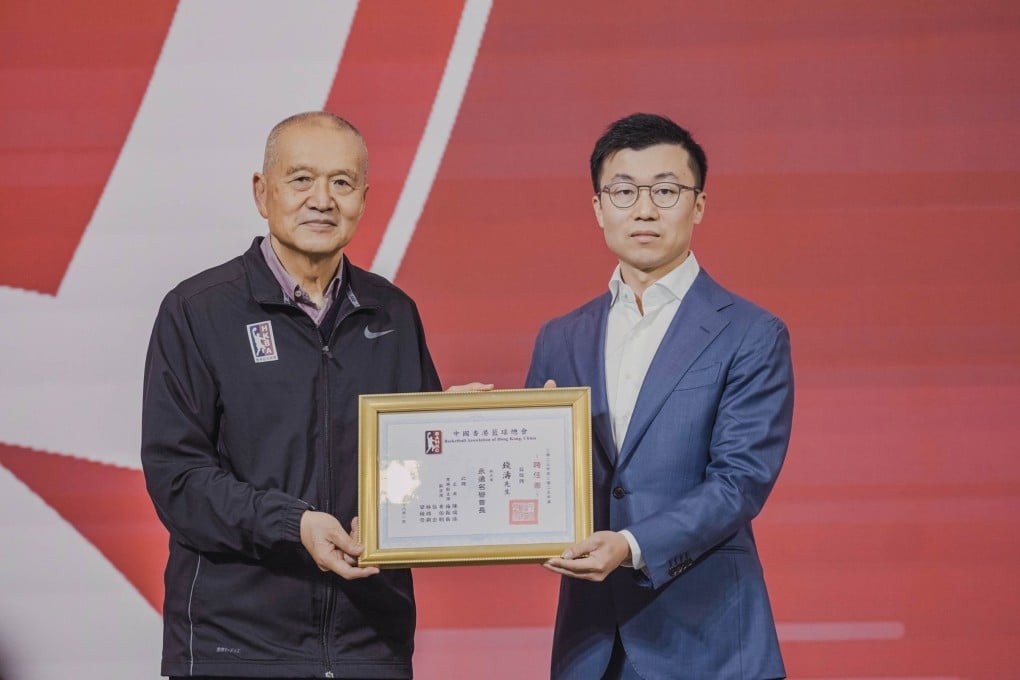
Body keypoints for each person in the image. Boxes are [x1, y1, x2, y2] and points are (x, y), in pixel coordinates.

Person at [141, 111, 484, 679]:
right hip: (238, 648)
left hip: (370, 645)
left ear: (364, 198)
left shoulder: (393, 312)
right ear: (262, 191)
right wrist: (294, 523)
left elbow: (412, 480)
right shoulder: (198, 311)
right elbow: (178, 481)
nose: (322, 199)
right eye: (301, 179)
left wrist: (458, 433)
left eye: (342, 183)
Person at [526, 113, 794, 679]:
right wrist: (476, 427)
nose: (643, 210)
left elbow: (740, 481)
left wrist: (630, 543)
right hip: (592, 646)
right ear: (599, 207)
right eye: (623, 192)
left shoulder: (749, 331)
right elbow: (534, 479)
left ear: (697, 205)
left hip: (709, 640)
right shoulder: (561, 337)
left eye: (666, 191)